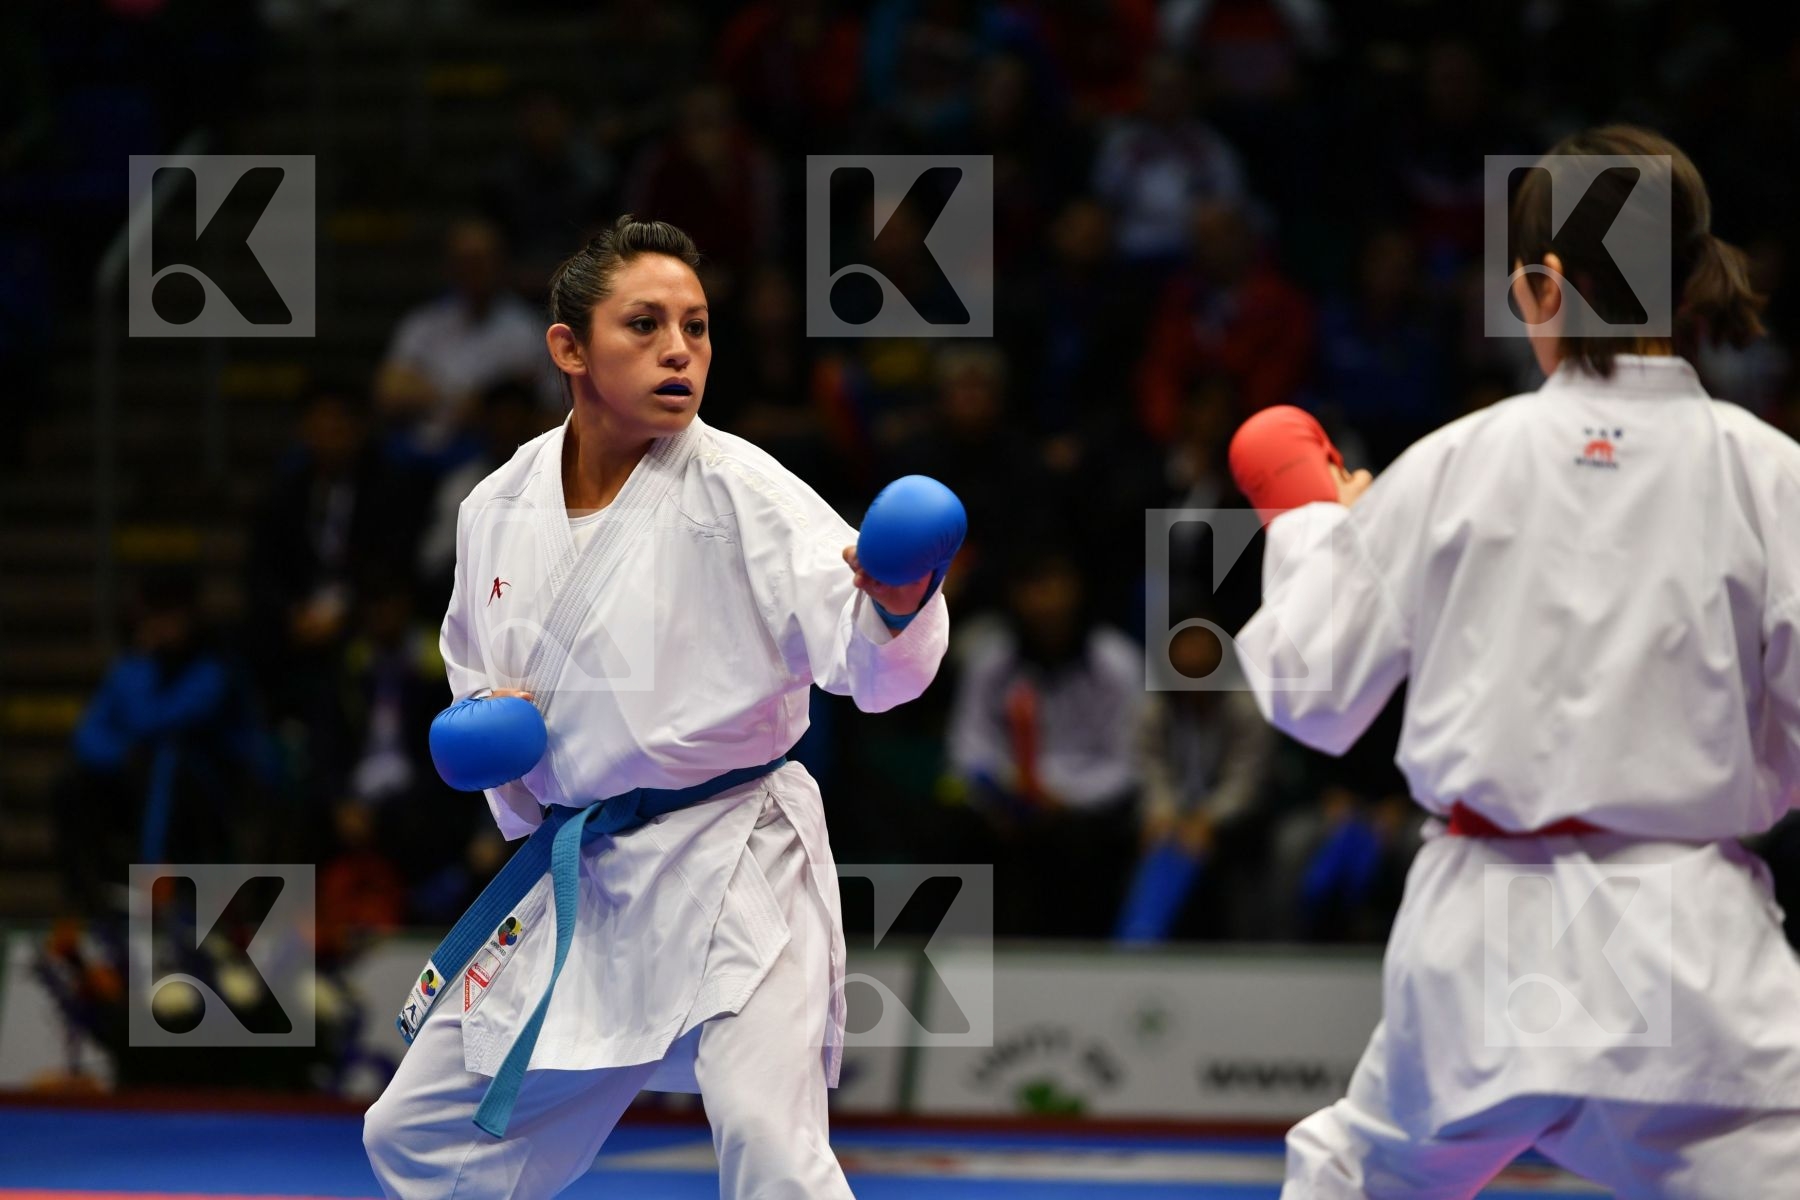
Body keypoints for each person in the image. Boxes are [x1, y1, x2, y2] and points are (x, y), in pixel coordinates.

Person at [1232, 126, 1800, 1197]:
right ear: (1688, 285)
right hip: (1691, 929)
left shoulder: (1454, 464)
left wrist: (1312, 525)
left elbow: (1312, 694)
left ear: (1539, 288)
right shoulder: (1770, 476)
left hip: (1485, 925)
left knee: (1362, 1175)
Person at [362, 216, 950, 1199]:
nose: (681, 349)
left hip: (735, 857)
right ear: (569, 349)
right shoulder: (495, 506)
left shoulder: (743, 491)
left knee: (769, 1140)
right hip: (586, 872)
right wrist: (487, 733)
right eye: (645, 325)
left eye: (698, 326)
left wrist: (894, 602)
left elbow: (863, 652)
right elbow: (474, 663)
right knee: (415, 1133)